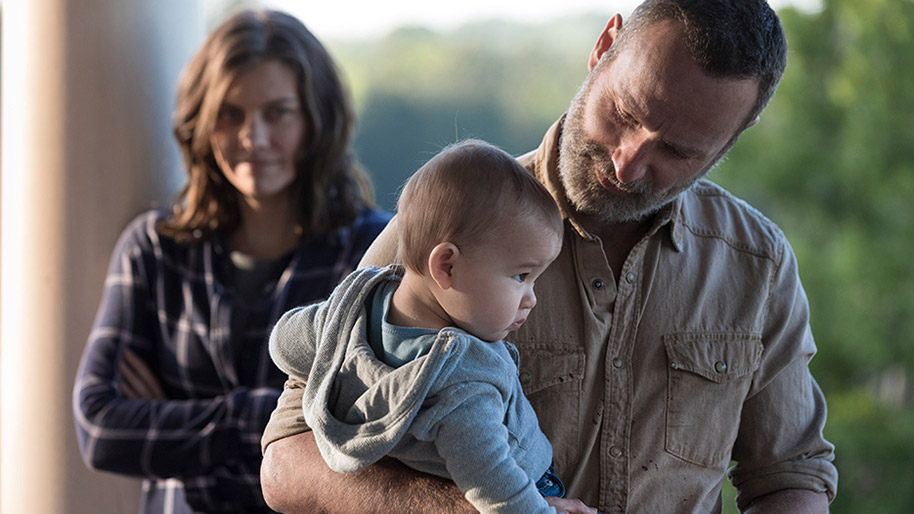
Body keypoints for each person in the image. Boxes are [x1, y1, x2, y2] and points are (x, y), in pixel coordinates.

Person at [259, 1, 839, 513]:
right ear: (604, 45)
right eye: (626, 113)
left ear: (739, 134)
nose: (628, 163)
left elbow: (791, 475)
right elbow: (287, 462)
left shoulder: (757, 263)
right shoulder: (451, 221)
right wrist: (473, 510)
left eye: (679, 152)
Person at [72, 9, 390, 514]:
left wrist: (171, 417)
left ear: (316, 116)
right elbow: (99, 428)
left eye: (278, 112)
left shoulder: (372, 252)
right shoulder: (153, 251)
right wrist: (283, 418)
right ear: (202, 119)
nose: (253, 138)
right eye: (231, 113)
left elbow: (381, 425)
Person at [268, 140, 597, 514]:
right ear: (446, 267)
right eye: (521, 276)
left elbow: (283, 343)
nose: (531, 298)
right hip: (529, 486)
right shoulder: (464, 380)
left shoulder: (354, 306)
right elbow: (494, 482)